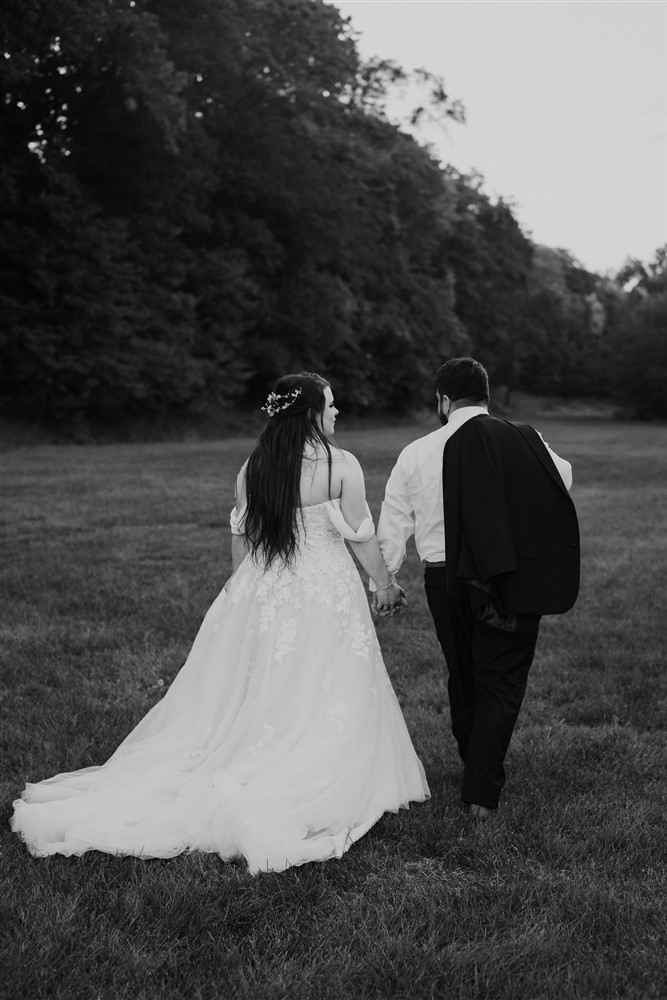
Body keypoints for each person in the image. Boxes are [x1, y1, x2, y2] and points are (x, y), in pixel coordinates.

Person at [11, 372, 429, 874]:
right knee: (326, 679)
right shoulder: (341, 466)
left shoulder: (253, 466)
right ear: (311, 413)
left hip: (265, 589)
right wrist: (383, 585)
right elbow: (361, 534)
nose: (338, 413)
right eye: (332, 406)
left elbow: (243, 539)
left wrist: (246, 599)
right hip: (324, 592)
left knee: (260, 684)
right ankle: (308, 769)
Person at [375, 357, 579, 821]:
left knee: (464, 674)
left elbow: (394, 524)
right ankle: (481, 791)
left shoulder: (416, 452)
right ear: (487, 397)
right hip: (507, 573)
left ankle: (476, 767)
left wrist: (383, 581)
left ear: (443, 401)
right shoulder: (525, 438)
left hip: (443, 578)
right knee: (501, 679)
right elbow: (562, 477)